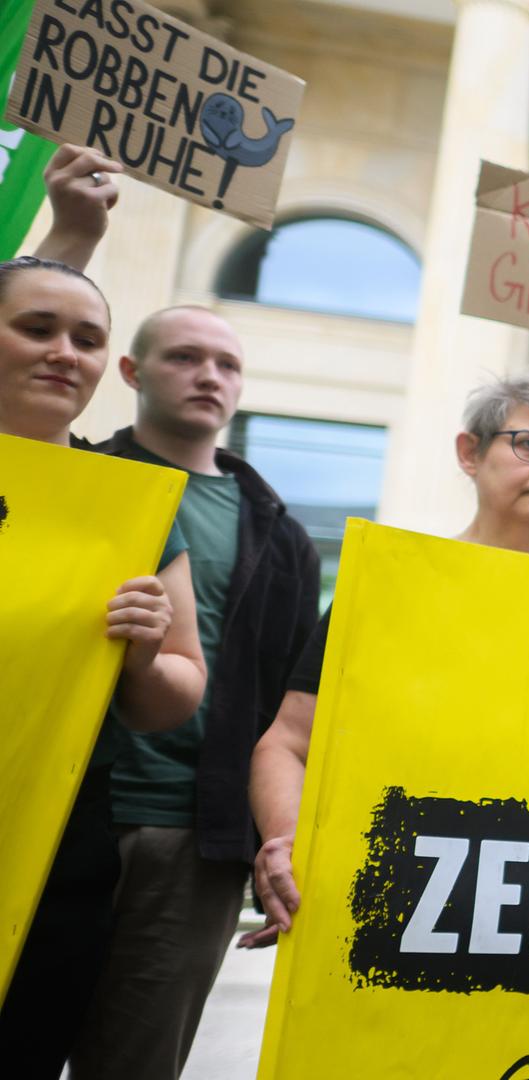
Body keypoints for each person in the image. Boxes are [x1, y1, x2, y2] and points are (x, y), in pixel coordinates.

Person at [244, 372, 529, 947]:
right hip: (397, 899)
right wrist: (287, 844)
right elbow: (287, 742)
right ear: (470, 452)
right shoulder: (390, 583)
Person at [61, 307, 322, 1080]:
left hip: (194, 834)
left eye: (228, 364)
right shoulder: (79, 476)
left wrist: (275, 833)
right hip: (60, 809)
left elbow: (291, 711)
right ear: (133, 372)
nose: (210, 376)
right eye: (185, 357)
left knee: (136, 1064)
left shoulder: (283, 534)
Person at [0, 255, 207, 1076]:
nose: (65, 354)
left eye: (88, 339)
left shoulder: (134, 503)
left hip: (55, 846)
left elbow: (176, 696)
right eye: (36, 328)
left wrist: (146, 656)